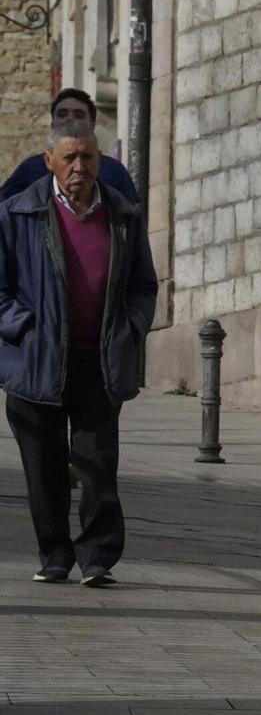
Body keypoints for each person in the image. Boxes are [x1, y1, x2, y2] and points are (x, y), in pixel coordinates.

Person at [0, 119, 158, 585]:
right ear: (48, 161)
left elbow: (143, 285)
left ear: (100, 162)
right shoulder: (17, 214)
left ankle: (96, 558)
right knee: (44, 467)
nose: (79, 167)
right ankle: (54, 556)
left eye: (88, 157)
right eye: (69, 157)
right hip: (36, 361)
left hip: (99, 359)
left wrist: (132, 328)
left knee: (96, 464)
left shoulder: (123, 216)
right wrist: (23, 328)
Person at [0, 90, 141, 211]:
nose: (69, 119)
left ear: (92, 124)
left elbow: (131, 217)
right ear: (52, 124)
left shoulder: (114, 171)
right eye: (62, 114)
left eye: (78, 114)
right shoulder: (31, 168)